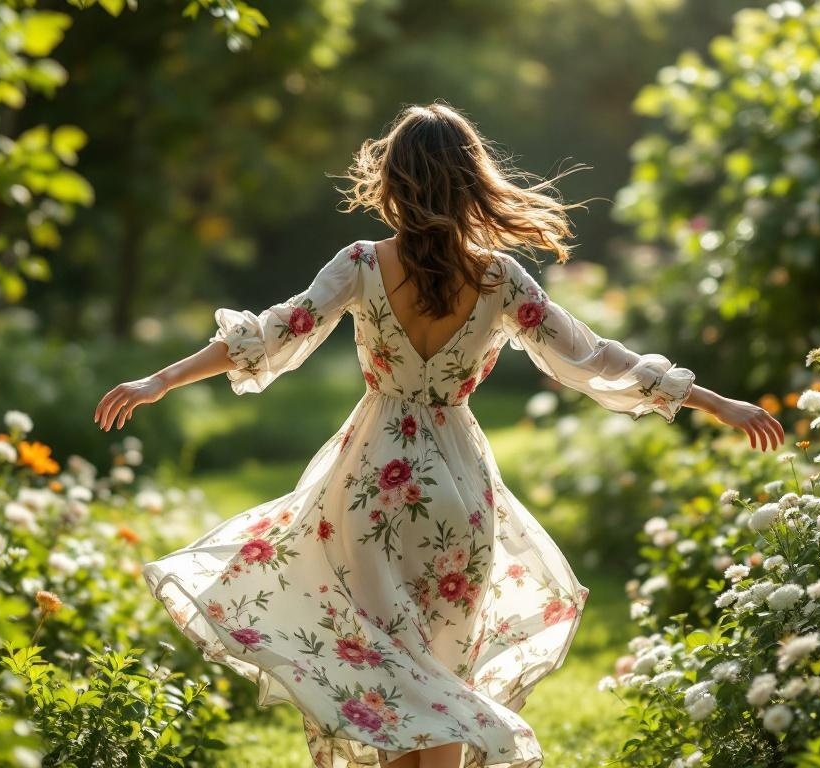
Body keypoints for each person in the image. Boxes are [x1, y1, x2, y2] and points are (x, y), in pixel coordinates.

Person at [93, 101, 784, 768]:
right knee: (443, 670)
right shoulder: (498, 277)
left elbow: (275, 332)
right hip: (458, 490)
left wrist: (160, 379)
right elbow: (596, 357)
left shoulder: (362, 263)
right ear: (471, 182)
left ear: (393, 181)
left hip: (369, 481)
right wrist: (715, 401)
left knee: (394, 678)